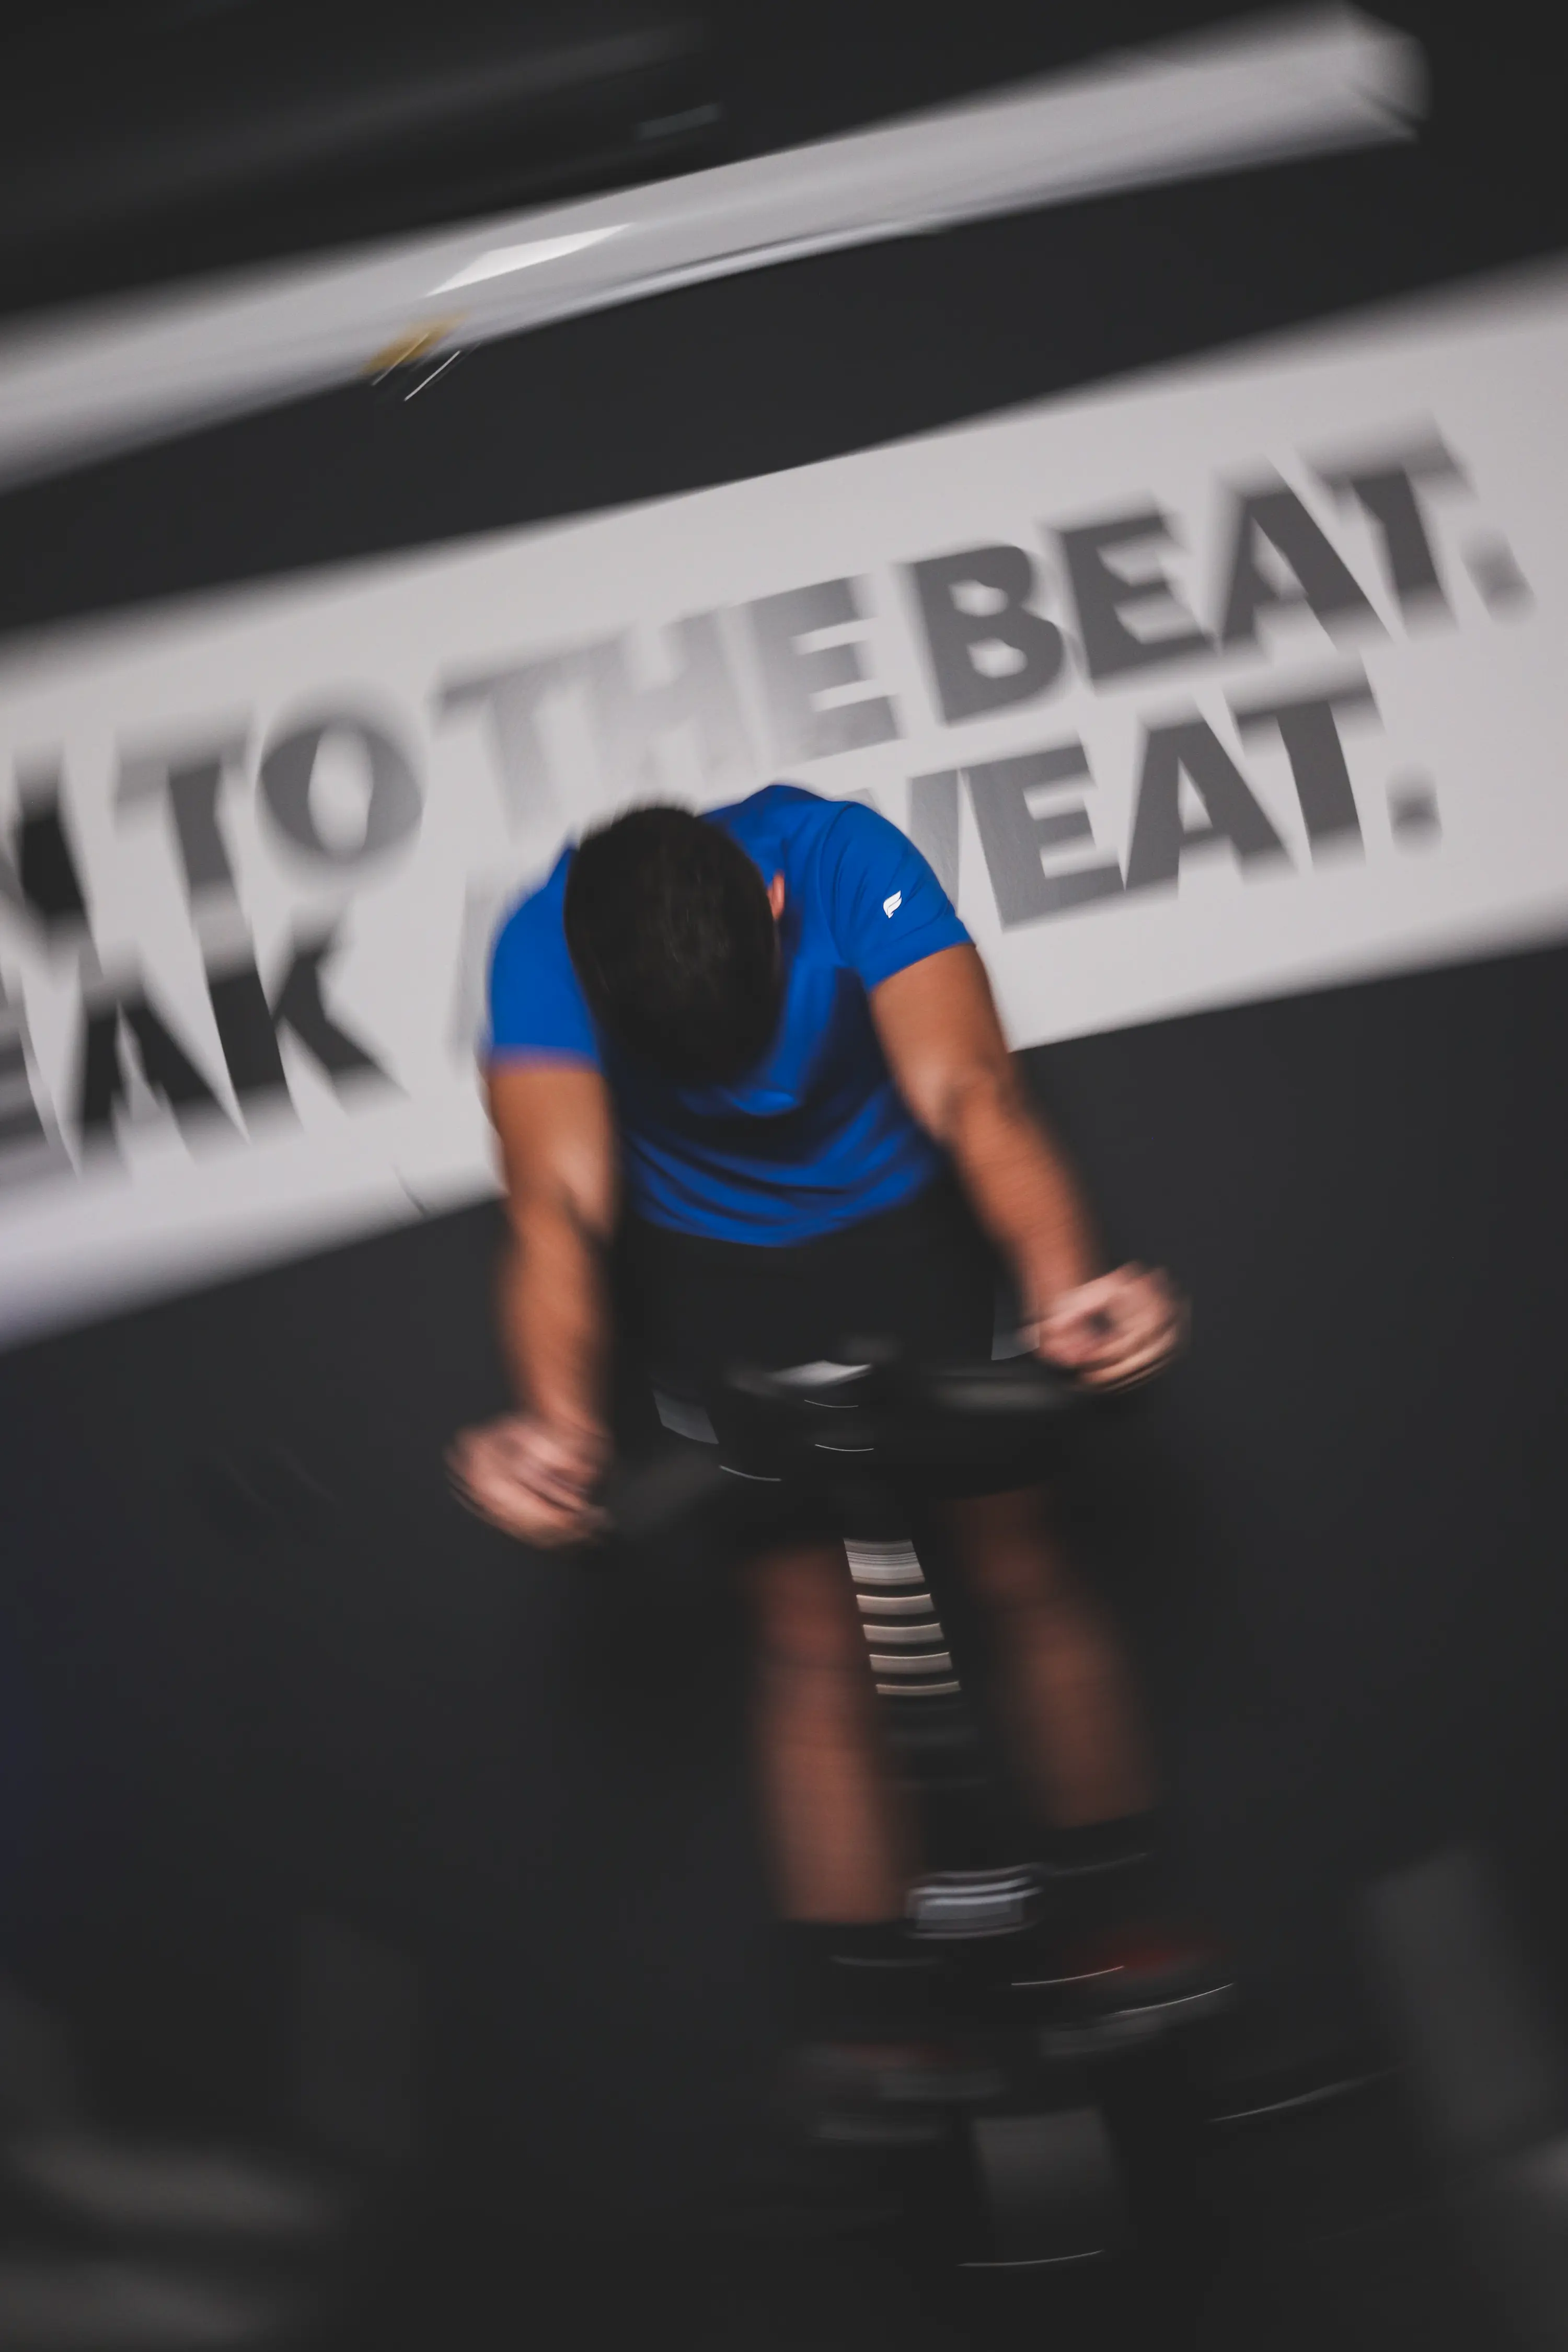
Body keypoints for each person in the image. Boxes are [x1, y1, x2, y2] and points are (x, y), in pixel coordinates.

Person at [449, 783, 1212, 2150]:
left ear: (777, 908)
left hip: (907, 1224)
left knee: (1018, 1556)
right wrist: (555, 1421)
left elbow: (973, 1095)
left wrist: (1064, 1284)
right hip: (716, 1274)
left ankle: (1116, 1921)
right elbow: (557, 1212)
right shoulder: (540, 945)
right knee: (810, 1635)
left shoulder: (845, 857)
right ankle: (875, 2010)